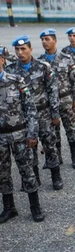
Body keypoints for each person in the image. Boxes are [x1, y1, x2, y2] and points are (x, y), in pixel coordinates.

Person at [7, 35, 63, 190]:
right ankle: (35, 178)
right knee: (28, 149)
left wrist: (55, 113)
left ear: (30, 49)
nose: (20, 52)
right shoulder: (10, 70)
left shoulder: (43, 66)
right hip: (23, 117)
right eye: (17, 49)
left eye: (23, 49)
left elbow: (52, 90)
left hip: (43, 112)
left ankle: (56, 177)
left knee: (49, 144)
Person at [0, 47, 44, 223]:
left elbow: (30, 109)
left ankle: (35, 207)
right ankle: (9, 208)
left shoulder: (16, 80)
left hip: (19, 134)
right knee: (2, 173)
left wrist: (32, 134)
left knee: (26, 170)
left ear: (2, 60)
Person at [38, 28, 75, 169]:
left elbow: (74, 81)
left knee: (71, 129)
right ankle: (56, 157)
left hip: (65, 99)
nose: (44, 42)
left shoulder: (66, 58)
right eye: (42, 40)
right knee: (51, 132)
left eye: (47, 39)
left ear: (55, 40)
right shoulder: (39, 62)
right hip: (48, 104)